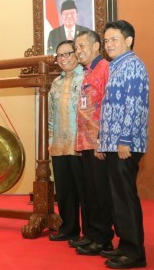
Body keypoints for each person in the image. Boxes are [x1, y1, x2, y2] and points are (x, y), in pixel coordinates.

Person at [98, 20, 149, 269]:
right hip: (113, 143)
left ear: (128, 40)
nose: (108, 44)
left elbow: (135, 107)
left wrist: (124, 140)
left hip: (124, 144)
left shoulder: (133, 66)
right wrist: (103, 141)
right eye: (106, 40)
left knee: (125, 198)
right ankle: (125, 247)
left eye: (114, 39)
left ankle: (135, 253)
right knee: (118, 198)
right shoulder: (117, 67)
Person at [72, 30, 114, 255]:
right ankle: (92, 235)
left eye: (81, 46)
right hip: (86, 143)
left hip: (98, 143)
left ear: (97, 46)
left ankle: (103, 239)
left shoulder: (104, 69)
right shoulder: (87, 72)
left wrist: (101, 140)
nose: (78, 51)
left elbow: (108, 107)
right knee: (89, 193)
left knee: (100, 194)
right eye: (76, 47)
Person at [47, 41, 87, 241]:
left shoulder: (86, 78)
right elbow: (51, 115)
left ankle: (90, 234)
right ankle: (68, 229)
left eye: (67, 54)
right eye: (59, 55)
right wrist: (51, 139)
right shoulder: (56, 83)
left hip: (81, 144)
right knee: (64, 191)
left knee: (85, 191)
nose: (63, 59)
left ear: (76, 55)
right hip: (60, 146)